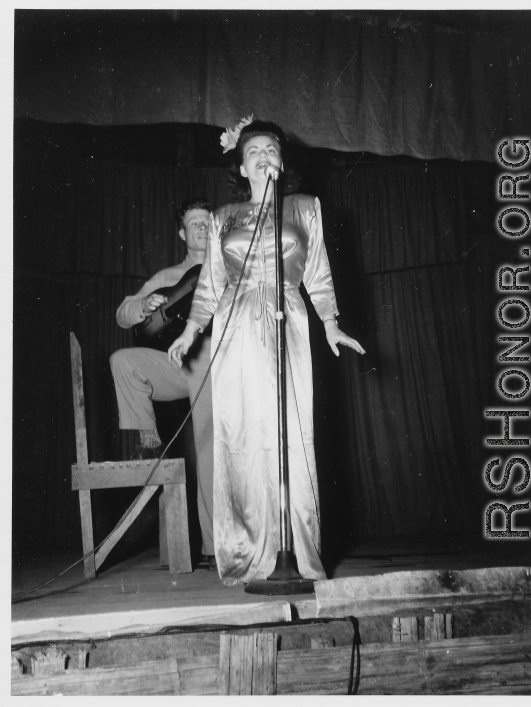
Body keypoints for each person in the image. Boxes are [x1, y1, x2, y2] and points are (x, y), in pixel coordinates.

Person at [168, 120, 365, 586]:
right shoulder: (224, 217)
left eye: (271, 149)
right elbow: (212, 283)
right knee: (241, 431)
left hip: (288, 320)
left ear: (282, 161)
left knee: (290, 432)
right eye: (252, 150)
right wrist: (191, 331)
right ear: (240, 165)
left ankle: (295, 550)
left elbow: (316, 270)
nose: (262, 156)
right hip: (235, 326)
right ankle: (249, 552)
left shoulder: (304, 208)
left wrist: (331, 325)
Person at [110, 197, 215, 568]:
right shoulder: (170, 276)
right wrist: (147, 304)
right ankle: (148, 443)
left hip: (218, 367)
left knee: (209, 452)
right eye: (194, 223)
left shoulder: (230, 266)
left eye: (207, 221)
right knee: (123, 361)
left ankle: (215, 548)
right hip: (178, 367)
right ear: (182, 233)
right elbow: (124, 315)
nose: (202, 227)